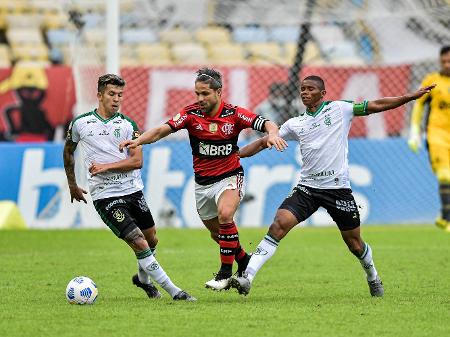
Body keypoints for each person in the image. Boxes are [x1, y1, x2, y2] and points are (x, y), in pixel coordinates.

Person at [230, 75, 435, 297]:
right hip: (308, 188)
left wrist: (408, 97)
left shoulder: (339, 109)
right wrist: (236, 154)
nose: (305, 92)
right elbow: (263, 141)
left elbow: (374, 105)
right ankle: (247, 277)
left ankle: (373, 276)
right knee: (279, 224)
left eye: (310, 89)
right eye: (302, 89)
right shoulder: (294, 124)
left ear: (323, 93)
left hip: (337, 190)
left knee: (355, 245)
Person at [120, 67, 288, 291]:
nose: (199, 98)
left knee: (226, 215)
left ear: (219, 92)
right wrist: (139, 141)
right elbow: (162, 130)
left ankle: (224, 275)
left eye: (205, 93)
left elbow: (267, 123)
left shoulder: (234, 114)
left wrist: (273, 134)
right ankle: (244, 260)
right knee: (217, 233)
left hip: (230, 176)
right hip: (203, 184)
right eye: (197, 93)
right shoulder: (190, 114)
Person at [63, 74, 195, 301]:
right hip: (105, 195)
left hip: (132, 190)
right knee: (138, 241)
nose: (116, 99)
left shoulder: (127, 125)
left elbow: (137, 162)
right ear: (99, 95)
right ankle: (175, 292)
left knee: (151, 239)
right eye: (111, 94)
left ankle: (142, 279)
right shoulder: (80, 124)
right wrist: (73, 185)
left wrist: (105, 166)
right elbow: (68, 151)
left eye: (120, 95)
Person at [408, 45, 450, 231]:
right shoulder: (432, 80)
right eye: (444, 61)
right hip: (437, 134)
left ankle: (443, 217)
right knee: (444, 174)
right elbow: (419, 106)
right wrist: (415, 130)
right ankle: (448, 218)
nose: (447, 64)